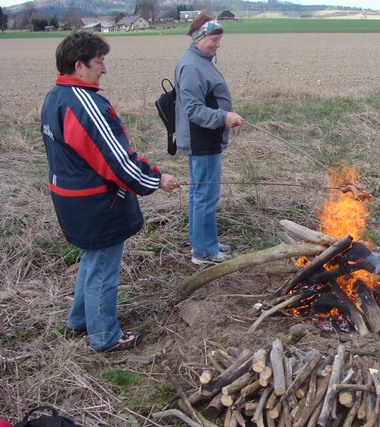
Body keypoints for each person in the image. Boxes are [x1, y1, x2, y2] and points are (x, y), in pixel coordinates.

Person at [40, 31, 181, 352]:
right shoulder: (86, 105)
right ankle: (105, 337)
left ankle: (79, 321)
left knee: (92, 261)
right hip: (96, 204)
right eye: (100, 62)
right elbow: (117, 161)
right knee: (103, 269)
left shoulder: (55, 96)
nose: (104, 69)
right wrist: (157, 179)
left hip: (70, 200)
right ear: (79, 66)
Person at [174, 12, 244, 265]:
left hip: (206, 137)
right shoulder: (192, 65)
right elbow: (193, 109)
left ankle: (203, 242)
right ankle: (205, 253)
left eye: (219, 39)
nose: (217, 44)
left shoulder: (200, 60)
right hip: (201, 139)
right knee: (205, 195)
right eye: (213, 39)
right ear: (199, 38)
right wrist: (224, 117)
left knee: (199, 194)